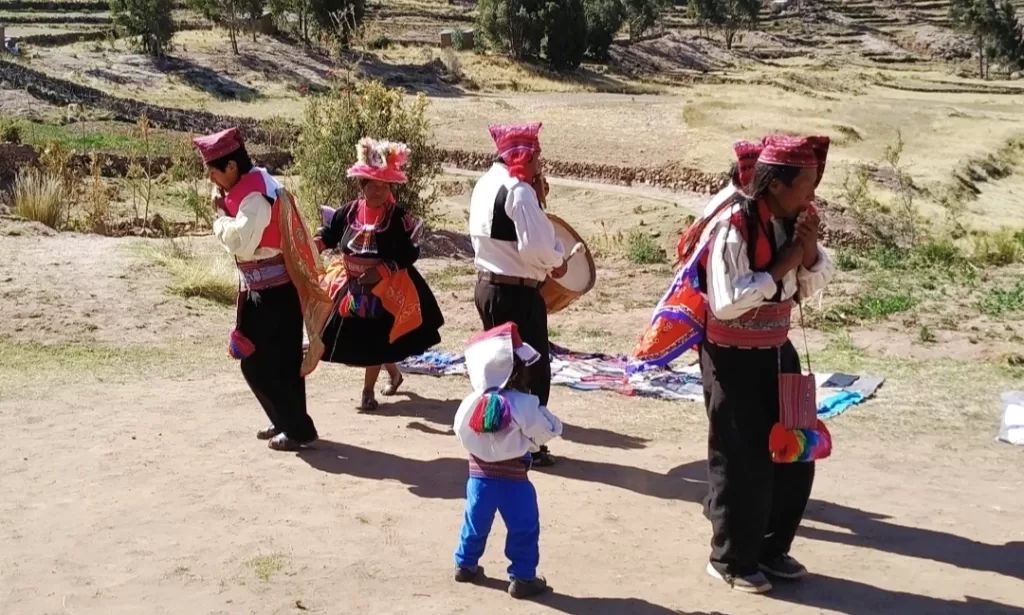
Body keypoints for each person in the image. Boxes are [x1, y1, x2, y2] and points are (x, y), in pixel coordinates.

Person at [628, 135, 835, 593]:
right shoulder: (734, 226)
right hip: (733, 357)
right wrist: (779, 267)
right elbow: (725, 303)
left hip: (778, 350)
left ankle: (770, 547)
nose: (811, 194)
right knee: (741, 459)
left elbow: (810, 283)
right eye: (804, 183)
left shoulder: (794, 221)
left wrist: (810, 252)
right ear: (776, 184)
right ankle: (731, 559)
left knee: (795, 452)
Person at [194, 127, 332, 452]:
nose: (213, 180)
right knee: (278, 363)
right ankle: (287, 421)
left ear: (231, 167)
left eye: (215, 172)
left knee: (260, 364)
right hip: (266, 292)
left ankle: (297, 429)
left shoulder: (255, 195)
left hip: (274, 293)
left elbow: (242, 241)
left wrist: (219, 218)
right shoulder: (252, 185)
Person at [316, 138, 444, 411]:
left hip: (386, 288)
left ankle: (367, 392)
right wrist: (312, 244)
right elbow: (329, 234)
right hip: (352, 286)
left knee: (375, 339)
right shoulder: (348, 212)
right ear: (362, 185)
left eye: (384, 186)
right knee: (369, 341)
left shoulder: (398, 218)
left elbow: (409, 254)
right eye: (372, 184)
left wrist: (383, 270)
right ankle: (395, 374)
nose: (378, 191)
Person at [468, 122, 567, 467]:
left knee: (499, 368)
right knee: (532, 369)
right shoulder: (518, 190)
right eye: (537, 154)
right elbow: (536, 247)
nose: (540, 161)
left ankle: (498, 439)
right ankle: (532, 444)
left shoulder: (483, 184)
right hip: (516, 292)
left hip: (488, 287)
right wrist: (557, 262)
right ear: (525, 156)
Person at [452, 322, 563, 599]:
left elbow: (460, 433)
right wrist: (533, 438)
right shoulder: (523, 404)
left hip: (478, 479)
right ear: (516, 370)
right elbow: (548, 430)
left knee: (474, 522)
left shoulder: (469, 404)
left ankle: (465, 564)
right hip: (515, 481)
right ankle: (523, 578)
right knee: (524, 527)